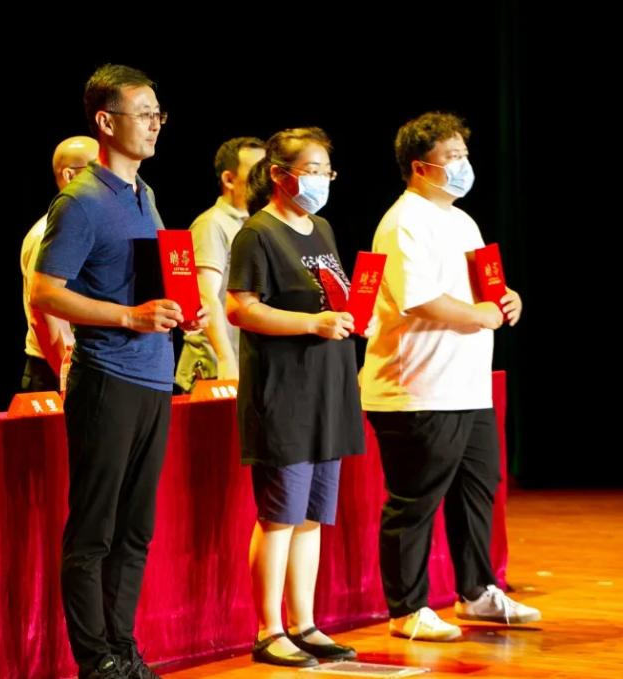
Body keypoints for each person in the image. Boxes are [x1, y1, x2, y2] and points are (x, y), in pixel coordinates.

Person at [31, 64, 205, 679]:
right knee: (95, 530)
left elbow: (144, 282)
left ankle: (123, 649)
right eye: (144, 113)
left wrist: (182, 309)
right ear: (106, 122)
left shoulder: (144, 195)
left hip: (154, 377)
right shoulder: (80, 201)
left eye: (159, 114)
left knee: (136, 530)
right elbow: (45, 291)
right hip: (107, 377)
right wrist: (129, 317)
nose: (155, 124)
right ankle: (96, 659)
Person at [361, 111, 537, 642]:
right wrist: (480, 315)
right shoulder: (403, 222)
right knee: (415, 499)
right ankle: (407, 608)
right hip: (418, 387)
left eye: (465, 155)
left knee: (478, 489)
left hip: (468, 384)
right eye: (452, 157)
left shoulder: (463, 221)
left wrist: (506, 300)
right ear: (421, 167)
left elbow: (486, 288)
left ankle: (477, 591)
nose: (463, 166)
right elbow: (418, 299)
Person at [226, 127, 365, 667]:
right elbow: (241, 308)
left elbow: (333, 298)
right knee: (280, 514)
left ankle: (305, 622)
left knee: (312, 515)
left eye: (327, 171)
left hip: (328, 388)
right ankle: (270, 629)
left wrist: (351, 317)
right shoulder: (258, 233)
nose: (322, 180)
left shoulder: (321, 227)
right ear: (280, 175)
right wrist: (312, 323)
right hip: (283, 392)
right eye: (312, 170)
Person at [174, 136, 264, 391]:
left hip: (249, 362)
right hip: (217, 369)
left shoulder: (259, 224)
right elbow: (206, 297)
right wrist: (226, 360)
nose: (264, 179)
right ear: (229, 179)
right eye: (256, 172)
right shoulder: (212, 224)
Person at [20, 136, 98, 392]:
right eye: (97, 170)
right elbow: (43, 318)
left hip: (85, 368)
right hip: (53, 371)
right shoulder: (48, 233)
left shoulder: (88, 229)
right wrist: (67, 379)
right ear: (69, 175)